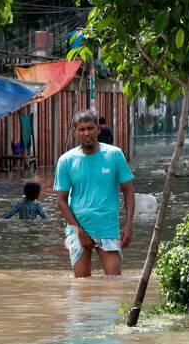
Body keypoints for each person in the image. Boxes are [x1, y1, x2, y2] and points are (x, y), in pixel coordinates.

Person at [54, 108, 136, 277]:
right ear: (74, 132)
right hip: (79, 230)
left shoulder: (114, 155)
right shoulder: (66, 160)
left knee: (114, 284)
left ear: (98, 130)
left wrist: (128, 225)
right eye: (82, 129)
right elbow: (61, 201)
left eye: (90, 128)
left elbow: (128, 190)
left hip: (108, 229)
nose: (87, 133)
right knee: (82, 287)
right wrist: (79, 231)